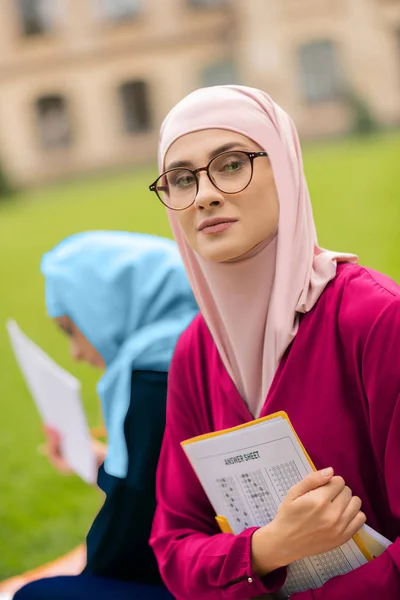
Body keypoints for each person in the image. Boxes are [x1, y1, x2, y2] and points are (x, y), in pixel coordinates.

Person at [147, 85, 400, 599]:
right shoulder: (196, 351)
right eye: (181, 179)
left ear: (282, 168)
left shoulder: (376, 319)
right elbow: (173, 548)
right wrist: (266, 549)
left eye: (232, 163)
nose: (205, 195)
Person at [15, 230, 198, 600]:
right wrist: (101, 461)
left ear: (107, 306)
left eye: (71, 329)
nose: (76, 353)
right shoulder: (198, 339)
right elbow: (162, 486)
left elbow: (128, 540)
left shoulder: (151, 377)